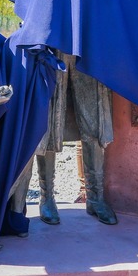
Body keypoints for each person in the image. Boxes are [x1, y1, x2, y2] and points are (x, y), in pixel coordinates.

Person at [35, 50, 117, 226]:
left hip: (87, 45)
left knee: (94, 120)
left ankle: (95, 198)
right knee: (49, 123)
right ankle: (46, 197)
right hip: (54, 44)